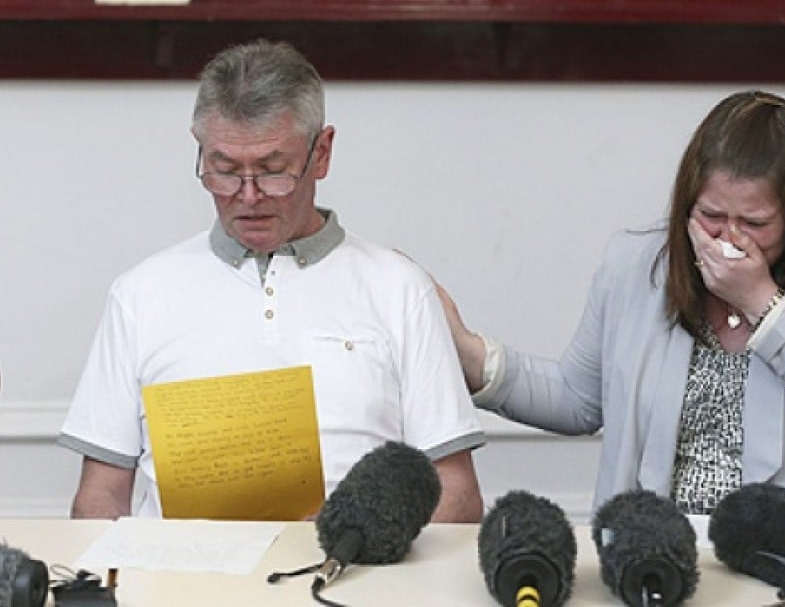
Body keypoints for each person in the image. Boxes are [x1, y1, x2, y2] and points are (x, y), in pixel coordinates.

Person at [59, 39, 485, 521]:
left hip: (353, 580)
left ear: (320, 153)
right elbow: (101, 496)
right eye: (223, 171)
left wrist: (371, 553)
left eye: (272, 170)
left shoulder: (398, 288)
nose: (249, 196)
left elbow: (457, 494)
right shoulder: (140, 294)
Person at [435, 89, 785, 515]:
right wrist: (472, 354)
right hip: (651, 556)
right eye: (711, 216)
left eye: (755, 224)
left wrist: (761, 302)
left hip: (777, 563)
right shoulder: (636, 264)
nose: (728, 240)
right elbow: (577, 400)